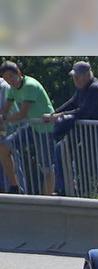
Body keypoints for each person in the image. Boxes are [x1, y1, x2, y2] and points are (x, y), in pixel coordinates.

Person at [43, 61, 98, 199]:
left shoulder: (95, 88)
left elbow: (83, 112)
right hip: (89, 132)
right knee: (61, 149)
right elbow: (72, 103)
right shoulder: (81, 88)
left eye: (78, 76)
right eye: (74, 76)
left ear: (86, 76)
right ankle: (65, 189)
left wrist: (60, 116)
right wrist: (54, 114)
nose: (75, 79)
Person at [0, 61, 55, 195]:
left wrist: (4, 119)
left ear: (19, 73)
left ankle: (46, 201)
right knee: (4, 147)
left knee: (47, 168)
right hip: (33, 127)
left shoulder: (30, 85)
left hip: (46, 129)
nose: (10, 81)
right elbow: (4, 110)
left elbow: (21, 114)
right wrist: (2, 116)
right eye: (6, 79)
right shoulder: (13, 89)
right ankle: (14, 187)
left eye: (11, 77)